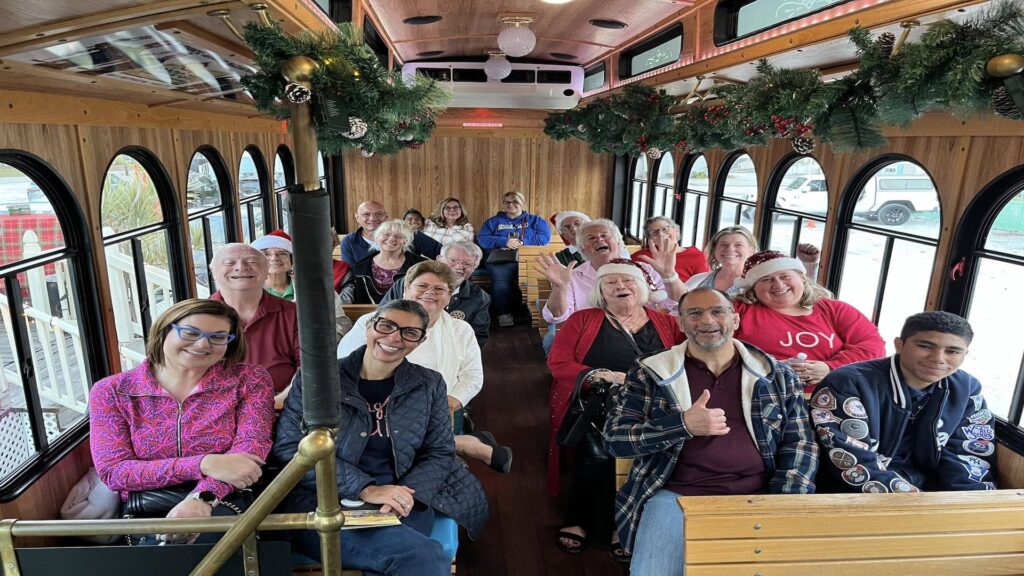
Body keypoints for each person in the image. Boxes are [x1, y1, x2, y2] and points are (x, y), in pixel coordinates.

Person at [604, 287, 817, 573]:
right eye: (694, 313)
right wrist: (681, 425)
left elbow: (800, 444)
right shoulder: (651, 373)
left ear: (735, 320)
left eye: (717, 311)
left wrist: (785, 503)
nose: (707, 320)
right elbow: (615, 439)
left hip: (760, 493)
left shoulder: (775, 374)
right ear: (680, 323)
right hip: (675, 494)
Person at [275, 300, 489, 576]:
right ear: (368, 326)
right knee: (420, 557)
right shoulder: (318, 379)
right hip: (324, 501)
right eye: (386, 325)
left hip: (402, 497)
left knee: (409, 559)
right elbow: (290, 449)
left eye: (409, 333)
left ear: (420, 341)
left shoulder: (429, 383)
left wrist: (408, 494)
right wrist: (365, 488)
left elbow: (438, 451)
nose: (394, 338)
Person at [90, 299, 274, 545]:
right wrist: (204, 463)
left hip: (225, 496)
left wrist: (201, 499)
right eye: (190, 333)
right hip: (147, 505)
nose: (202, 344)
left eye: (218, 337)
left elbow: (249, 454)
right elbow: (114, 471)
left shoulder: (249, 380)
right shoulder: (113, 391)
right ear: (165, 330)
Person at [547, 262, 684, 562]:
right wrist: (603, 375)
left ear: (643, 287)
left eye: (627, 280)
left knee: (656, 456)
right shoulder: (583, 319)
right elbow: (559, 363)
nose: (621, 286)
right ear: (600, 291)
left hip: (657, 406)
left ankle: (626, 523)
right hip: (598, 404)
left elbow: (687, 361)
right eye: (611, 283)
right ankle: (579, 518)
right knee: (597, 454)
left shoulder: (667, 323)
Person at [340, 261, 512, 473]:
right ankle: (464, 444)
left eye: (439, 289)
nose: (430, 292)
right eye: (422, 286)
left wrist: (442, 405)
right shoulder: (372, 323)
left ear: (449, 297)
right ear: (406, 290)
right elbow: (344, 367)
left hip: (442, 409)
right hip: (372, 408)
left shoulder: (461, 330)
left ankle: (458, 444)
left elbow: (472, 378)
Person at [811, 311, 997, 492]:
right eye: (925, 346)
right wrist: (916, 501)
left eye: (953, 351)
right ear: (899, 345)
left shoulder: (967, 389)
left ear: (965, 354)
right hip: (850, 493)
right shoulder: (846, 383)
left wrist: (975, 504)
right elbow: (851, 462)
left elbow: (968, 457)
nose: (938, 359)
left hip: (929, 493)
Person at [732, 250, 886, 394]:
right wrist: (770, 367)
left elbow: (873, 346)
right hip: (763, 396)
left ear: (802, 279)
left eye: (785, 276)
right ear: (753, 289)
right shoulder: (738, 311)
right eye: (766, 279)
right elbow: (715, 349)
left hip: (837, 395)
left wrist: (830, 367)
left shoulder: (834, 309)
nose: (778, 285)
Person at [538, 219, 686, 326]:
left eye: (604, 235)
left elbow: (677, 303)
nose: (598, 240)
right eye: (591, 238)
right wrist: (559, 288)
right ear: (583, 249)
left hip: (643, 337)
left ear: (618, 242)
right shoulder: (573, 277)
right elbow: (556, 317)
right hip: (593, 341)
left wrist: (669, 275)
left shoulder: (645, 270)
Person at [208, 244, 299, 408]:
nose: (241, 267)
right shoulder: (194, 318)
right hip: (213, 410)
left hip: (283, 407)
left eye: (252, 262)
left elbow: (308, 369)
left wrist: (277, 403)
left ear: (266, 272)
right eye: (229, 262)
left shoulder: (295, 314)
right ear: (213, 271)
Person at [380, 241, 491, 347]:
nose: (459, 267)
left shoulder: (480, 298)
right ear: (439, 259)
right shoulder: (408, 282)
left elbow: (477, 337)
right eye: (453, 260)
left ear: (474, 268)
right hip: (401, 344)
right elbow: (383, 313)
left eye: (467, 264)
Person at [251, 230, 352, 340]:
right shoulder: (248, 291)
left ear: (292, 259)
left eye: (282, 253)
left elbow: (341, 323)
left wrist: (314, 345)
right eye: (267, 254)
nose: (274, 258)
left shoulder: (317, 288)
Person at [477, 191, 551, 327]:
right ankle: (503, 314)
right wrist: (504, 241)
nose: (511, 205)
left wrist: (523, 241)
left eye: (515, 201)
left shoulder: (536, 220)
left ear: (522, 203)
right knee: (501, 282)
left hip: (528, 258)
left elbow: (544, 238)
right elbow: (482, 239)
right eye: (507, 202)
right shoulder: (493, 222)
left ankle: (534, 312)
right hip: (500, 259)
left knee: (536, 279)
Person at [340, 220, 427, 304]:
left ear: (406, 241)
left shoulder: (420, 266)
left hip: (406, 313)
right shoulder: (360, 268)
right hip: (368, 314)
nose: (392, 239)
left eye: (399, 236)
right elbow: (359, 300)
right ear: (377, 237)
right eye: (386, 234)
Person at [341, 200, 442, 266]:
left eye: (379, 214)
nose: (373, 218)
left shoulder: (409, 233)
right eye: (366, 214)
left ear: (386, 216)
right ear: (357, 217)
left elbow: (443, 254)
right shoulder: (349, 241)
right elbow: (350, 273)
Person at [631, 216, 709, 283]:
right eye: (654, 233)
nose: (661, 234)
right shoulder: (640, 257)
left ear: (677, 231)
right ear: (650, 239)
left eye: (664, 229)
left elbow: (702, 285)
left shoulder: (696, 256)